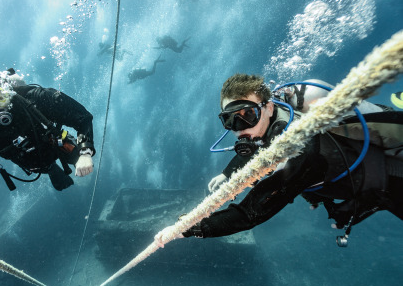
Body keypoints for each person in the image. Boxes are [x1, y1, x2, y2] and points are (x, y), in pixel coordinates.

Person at [155, 73, 403, 247]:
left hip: (394, 180)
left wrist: (187, 229)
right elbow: (254, 148)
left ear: (270, 107)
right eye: (229, 120)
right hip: (357, 183)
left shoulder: (301, 147)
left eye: (247, 115)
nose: (239, 129)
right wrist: (227, 173)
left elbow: (249, 214)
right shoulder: (272, 123)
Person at [0, 70, 95, 263]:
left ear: (4, 89)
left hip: (55, 144)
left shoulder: (35, 98)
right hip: (29, 161)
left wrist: (86, 151)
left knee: (76, 157)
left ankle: (57, 166)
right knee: (43, 167)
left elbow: (82, 117)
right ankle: (51, 169)